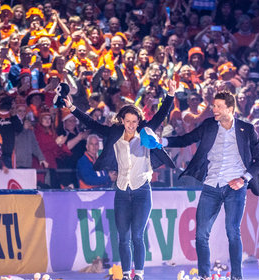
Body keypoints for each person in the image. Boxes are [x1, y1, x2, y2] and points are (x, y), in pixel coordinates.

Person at [64, 79, 176, 280]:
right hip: (122, 192)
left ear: (139, 121)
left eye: (135, 121)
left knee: (137, 236)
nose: (132, 125)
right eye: (128, 121)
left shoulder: (144, 133)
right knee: (123, 238)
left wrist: (170, 95)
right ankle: (126, 275)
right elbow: (91, 123)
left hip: (142, 190)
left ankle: (139, 275)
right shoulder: (114, 133)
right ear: (122, 121)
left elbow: (160, 115)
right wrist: (72, 107)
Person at [163, 91, 259, 280]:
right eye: (213, 106)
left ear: (230, 109)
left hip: (236, 186)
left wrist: (243, 179)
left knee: (232, 231)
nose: (214, 109)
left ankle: (237, 276)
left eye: (218, 106)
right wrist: (163, 141)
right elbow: (187, 139)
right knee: (201, 234)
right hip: (211, 185)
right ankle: (204, 276)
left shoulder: (246, 129)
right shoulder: (209, 125)